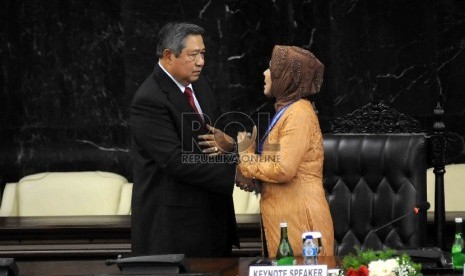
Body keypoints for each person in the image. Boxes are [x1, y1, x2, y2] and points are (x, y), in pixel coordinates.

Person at [129, 22, 239, 257]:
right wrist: (237, 171)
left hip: (212, 224)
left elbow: (217, 138)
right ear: (169, 56)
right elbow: (175, 161)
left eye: (203, 53)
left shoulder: (199, 86)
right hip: (175, 233)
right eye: (193, 55)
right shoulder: (149, 99)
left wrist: (233, 147)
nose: (201, 62)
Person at [236, 45, 334, 257]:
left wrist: (246, 157)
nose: (265, 73)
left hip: (301, 222)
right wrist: (250, 170)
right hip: (287, 220)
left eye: (271, 69)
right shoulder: (286, 112)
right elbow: (271, 163)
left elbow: (282, 169)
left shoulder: (299, 114)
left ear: (287, 77)